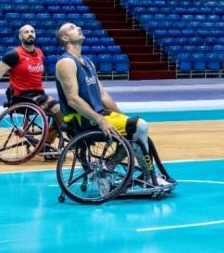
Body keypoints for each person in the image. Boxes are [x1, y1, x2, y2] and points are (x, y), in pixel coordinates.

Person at [54, 22, 173, 186]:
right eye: (73, 28)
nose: (79, 28)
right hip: (83, 120)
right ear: (65, 38)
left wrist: (122, 117)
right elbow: (72, 99)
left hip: (98, 116)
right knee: (140, 127)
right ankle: (147, 178)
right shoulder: (66, 63)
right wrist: (100, 120)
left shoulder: (88, 62)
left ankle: (107, 167)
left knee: (135, 128)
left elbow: (102, 95)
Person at [0, 24, 62, 150]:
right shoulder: (13, 55)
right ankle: (45, 144)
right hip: (22, 97)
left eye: (32, 31)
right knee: (58, 109)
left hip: (39, 95)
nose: (30, 34)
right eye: (26, 32)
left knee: (62, 112)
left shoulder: (40, 53)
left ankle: (46, 143)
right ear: (20, 36)